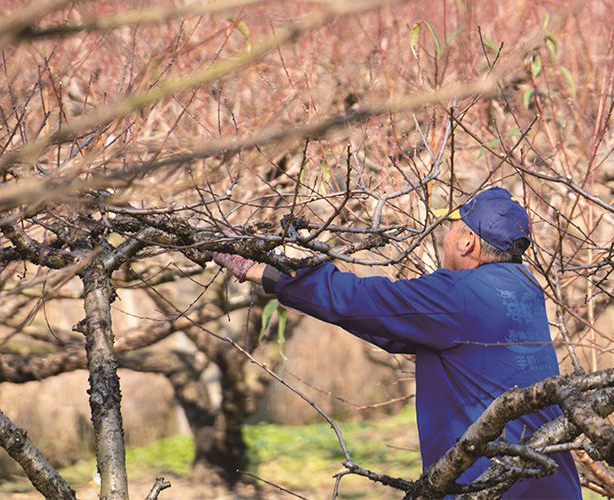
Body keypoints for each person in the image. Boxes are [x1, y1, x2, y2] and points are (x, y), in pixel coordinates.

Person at [214, 187, 583, 499]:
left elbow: (361, 300)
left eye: (453, 227)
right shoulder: (525, 288)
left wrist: (269, 272)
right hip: (553, 482)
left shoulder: (459, 296)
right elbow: (392, 324)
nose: (446, 235)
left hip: (495, 487)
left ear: (468, 240)